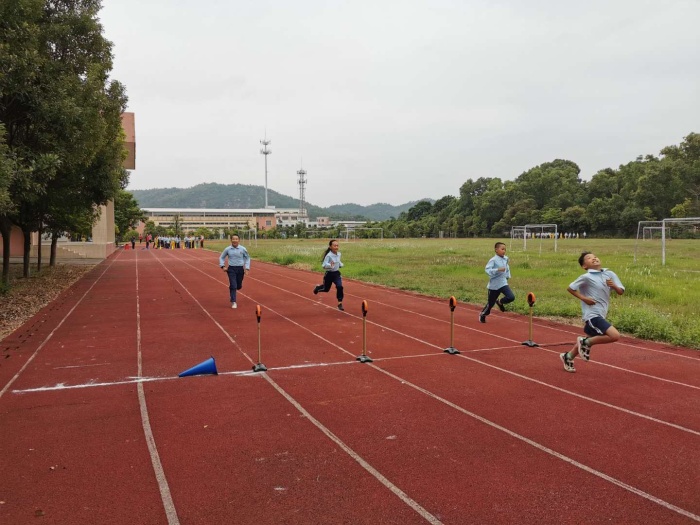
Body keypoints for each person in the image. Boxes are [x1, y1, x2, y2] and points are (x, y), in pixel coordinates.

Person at [560, 251, 625, 373]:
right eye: (589, 258)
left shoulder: (609, 274)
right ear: (584, 266)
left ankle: (568, 357)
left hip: (601, 313)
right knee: (614, 335)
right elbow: (571, 288)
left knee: (591, 337)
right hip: (592, 315)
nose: (594, 258)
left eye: (595, 257)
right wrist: (584, 299)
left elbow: (620, 291)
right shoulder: (586, 277)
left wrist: (614, 286)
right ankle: (585, 342)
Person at [479, 242, 515, 323]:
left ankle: (500, 302)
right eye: (502, 249)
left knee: (511, 297)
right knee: (490, 304)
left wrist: (507, 276)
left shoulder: (506, 259)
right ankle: (483, 314)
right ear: (496, 250)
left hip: (503, 283)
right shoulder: (493, 260)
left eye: (505, 249)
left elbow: (507, 268)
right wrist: (497, 269)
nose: (504, 251)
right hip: (494, 285)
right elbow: (487, 270)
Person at [219, 234, 251, 309]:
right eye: (233, 239)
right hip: (231, 269)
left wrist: (247, 268)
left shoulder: (243, 249)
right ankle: (233, 301)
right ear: (231, 240)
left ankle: (235, 287)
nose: (235, 240)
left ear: (239, 240)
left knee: (238, 286)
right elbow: (221, 257)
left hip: (240, 269)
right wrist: (222, 266)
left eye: (236, 239)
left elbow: (247, 258)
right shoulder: (227, 249)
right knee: (233, 285)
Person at [313, 239, 345, 311]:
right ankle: (317, 288)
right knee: (326, 289)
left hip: (336, 274)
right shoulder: (328, 255)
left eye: (337, 245)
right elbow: (324, 265)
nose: (336, 247)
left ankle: (340, 303)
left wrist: (340, 264)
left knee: (340, 286)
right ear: (330, 247)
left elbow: (338, 261)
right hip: (329, 274)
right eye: (334, 246)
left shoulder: (339, 254)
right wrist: (330, 265)